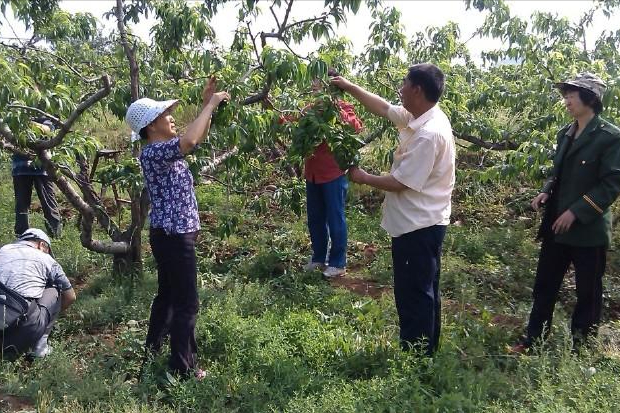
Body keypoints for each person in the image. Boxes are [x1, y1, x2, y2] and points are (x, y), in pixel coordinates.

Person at [331, 63, 455, 356]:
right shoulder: (423, 116)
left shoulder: (429, 134)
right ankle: (426, 349)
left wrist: (363, 177)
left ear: (417, 90)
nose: (399, 89)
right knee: (424, 289)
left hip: (419, 226)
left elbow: (402, 182)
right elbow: (384, 108)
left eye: (404, 84)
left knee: (414, 293)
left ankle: (416, 356)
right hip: (423, 221)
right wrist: (348, 86)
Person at [126, 77, 229, 379]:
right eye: (164, 114)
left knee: (168, 297)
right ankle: (183, 369)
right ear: (151, 125)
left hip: (167, 233)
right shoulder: (154, 152)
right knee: (187, 303)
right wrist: (210, 104)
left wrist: (206, 108)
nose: (171, 116)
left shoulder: (162, 150)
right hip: (174, 236)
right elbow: (190, 141)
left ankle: (152, 352)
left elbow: (194, 141)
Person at [511, 73, 620, 353]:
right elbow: (558, 173)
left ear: (590, 99)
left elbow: (611, 184)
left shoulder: (610, 137)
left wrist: (577, 211)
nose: (567, 100)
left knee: (588, 292)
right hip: (556, 226)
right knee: (545, 286)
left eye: (572, 94)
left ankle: (581, 349)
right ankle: (533, 341)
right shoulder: (565, 133)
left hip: (587, 229)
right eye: (566, 95)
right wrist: (546, 190)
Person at [299, 69, 364, 279]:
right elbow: (290, 120)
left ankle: (338, 262)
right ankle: (319, 257)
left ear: (330, 87)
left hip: (333, 173)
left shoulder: (342, 107)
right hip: (313, 173)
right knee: (315, 218)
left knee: (335, 218)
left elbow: (356, 127)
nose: (313, 88)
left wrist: (333, 107)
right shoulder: (310, 110)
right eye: (313, 84)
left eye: (318, 84)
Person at [0, 228, 75, 359]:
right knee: (54, 289)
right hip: (20, 332)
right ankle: (39, 349)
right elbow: (70, 297)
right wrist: (49, 315)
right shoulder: (47, 259)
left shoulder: (3, 250)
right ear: (42, 245)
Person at [12, 117, 62, 238]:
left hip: (42, 167)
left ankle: (55, 235)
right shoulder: (14, 115)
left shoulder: (45, 113)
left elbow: (48, 130)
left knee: (49, 203)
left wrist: (25, 122)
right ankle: (21, 236)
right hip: (21, 167)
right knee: (21, 205)